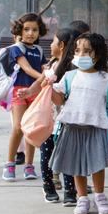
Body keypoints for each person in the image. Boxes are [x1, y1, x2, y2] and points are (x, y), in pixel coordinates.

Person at [50, 32, 108, 214]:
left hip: (96, 127)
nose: (81, 55)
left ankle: (100, 196)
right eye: (78, 50)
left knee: (97, 164)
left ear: (97, 55)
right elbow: (58, 100)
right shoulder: (69, 76)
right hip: (72, 127)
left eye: (87, 51)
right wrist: (48, 87)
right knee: (76, 165)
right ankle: (82, 198)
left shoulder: (107, 80)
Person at [1, 13, 49, 182]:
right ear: (19, 30)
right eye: (26, 29)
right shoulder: (16, 48)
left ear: (39, 32)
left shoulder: (39, 50)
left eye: (34, 30)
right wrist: (45, 77)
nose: (30, 33)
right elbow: (27, 69)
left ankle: (29, 165)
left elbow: (45, 67)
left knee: (30, 129)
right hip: (19, 91)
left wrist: (48, 72)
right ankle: (9, 164)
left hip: (35, 92)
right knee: (18, 128)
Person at [40, 27, 82, 204]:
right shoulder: (51, 65)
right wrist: (28, 92)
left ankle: (69, 191)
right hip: (49, 119)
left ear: (62, 45)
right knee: (48, 153)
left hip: (63, 120)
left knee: (64, 154)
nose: (50, 45)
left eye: (53, 41)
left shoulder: (71, 69)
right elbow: (39, 83)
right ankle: (49, 186)